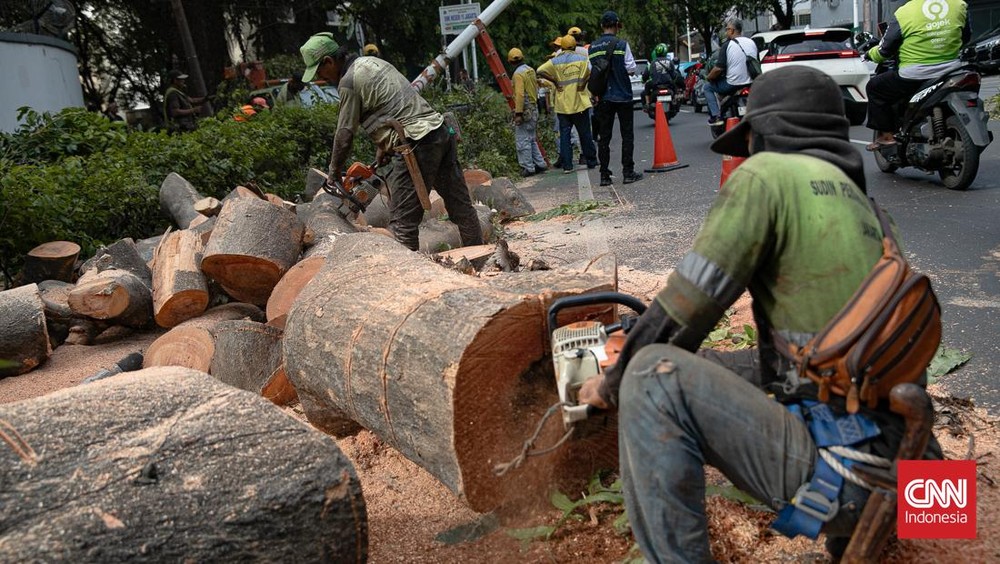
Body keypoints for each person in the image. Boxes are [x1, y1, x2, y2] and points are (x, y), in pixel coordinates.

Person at [577, 66, 940, 562]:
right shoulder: (873, 213)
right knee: (757, 366)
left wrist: (611, 382)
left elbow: (687, 310)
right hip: (928, 485)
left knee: (651, 376)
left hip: (854, 479)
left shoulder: (767, 175)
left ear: (766, 134)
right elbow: (823, 357)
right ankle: (857, 539)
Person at [299, 32, 483, 252]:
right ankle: (481, 258)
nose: (322, 76)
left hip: (416, 142)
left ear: (329, 61)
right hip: (438, 131)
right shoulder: (373, 62)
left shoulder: (348, 81)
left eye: (319, 70)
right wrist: (383, 146)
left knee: (402, 222)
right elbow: (392, 106)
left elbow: (345, 132)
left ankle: (407, 281)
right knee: (461, 208)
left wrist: (334, 172)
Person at [864, 0, 970, 150]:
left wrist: (870, 54)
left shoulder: (904, 13)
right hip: (951, 70)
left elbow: (885, 50)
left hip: (914, 75)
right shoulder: (959, 5)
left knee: (874, 87)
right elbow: (965, 37)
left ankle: (887, 135)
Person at [588, 10, 641, 186]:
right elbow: (632, 69)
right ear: (616, 26)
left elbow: (592, 73)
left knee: (604, 137)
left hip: (603, 98)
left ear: (602, 26)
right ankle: (628, 172)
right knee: (627, 135)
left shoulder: (593, 48)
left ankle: (604, 176)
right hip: (623, 96)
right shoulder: (622, 44)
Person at [537, 34, 597, 174]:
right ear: (575, 46)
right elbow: (593, 70)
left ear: (562, 47)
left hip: (563, 104)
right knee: (585, 134)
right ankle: (592, 161)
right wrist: (583, 82)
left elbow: (539, 70)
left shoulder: (556, 61)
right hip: (579, 102)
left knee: (565, 135)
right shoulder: (582, 59)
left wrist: (555, 81)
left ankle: (567, 166)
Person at [704, 19, 757, 127]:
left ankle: (715, 117)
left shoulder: (727, 45)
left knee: (707, 87)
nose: (726, 32)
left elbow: (719, 68)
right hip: (751, 83)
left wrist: (709, 77)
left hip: (733, 84)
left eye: (727, 29)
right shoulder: (752, 42)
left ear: (732, 30)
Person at [508, 47, 549, 177]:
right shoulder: (530, 70)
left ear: (510, 62)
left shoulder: (518, 74)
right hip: (534, 107)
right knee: (531, 138)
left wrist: (518, 113)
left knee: (522, 140)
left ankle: (528, 167)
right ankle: (540, 164)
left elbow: (520, 94)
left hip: (525, 109)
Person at [643, 43, 684, 111]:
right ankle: (675, 100)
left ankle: (647, 103)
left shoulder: (653, 63)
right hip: (668, 84)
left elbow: (649, 75)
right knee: (675, 87)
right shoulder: (669, 61)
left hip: (656, 85)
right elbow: (673, 75)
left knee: (647, 85)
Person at [162, 69, 205, 133]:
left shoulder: (178, 92)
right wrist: (194, 110)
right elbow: (175, 112)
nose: (183, 81)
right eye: (181, 79)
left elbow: (192, 100)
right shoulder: (172, 94)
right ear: (175, 81)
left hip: (185, 127)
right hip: (180, 129)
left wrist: (207, 98)